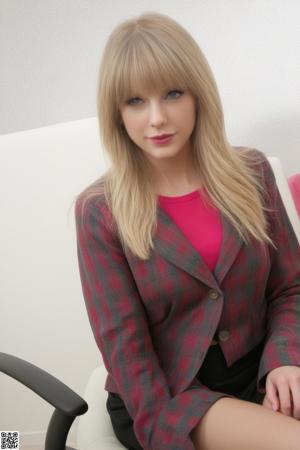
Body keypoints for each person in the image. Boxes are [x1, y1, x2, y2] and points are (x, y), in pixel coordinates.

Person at [75, 11, 300, 450]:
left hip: (259, 372)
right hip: (170, 395)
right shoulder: (100, 212)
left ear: (198, 95)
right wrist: (165, 433)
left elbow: (290, 289)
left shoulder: (252, 172)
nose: (156, 118)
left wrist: (285, 359)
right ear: (117, 113)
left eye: (172, 94)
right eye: (135, 101)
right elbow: (126, 349)